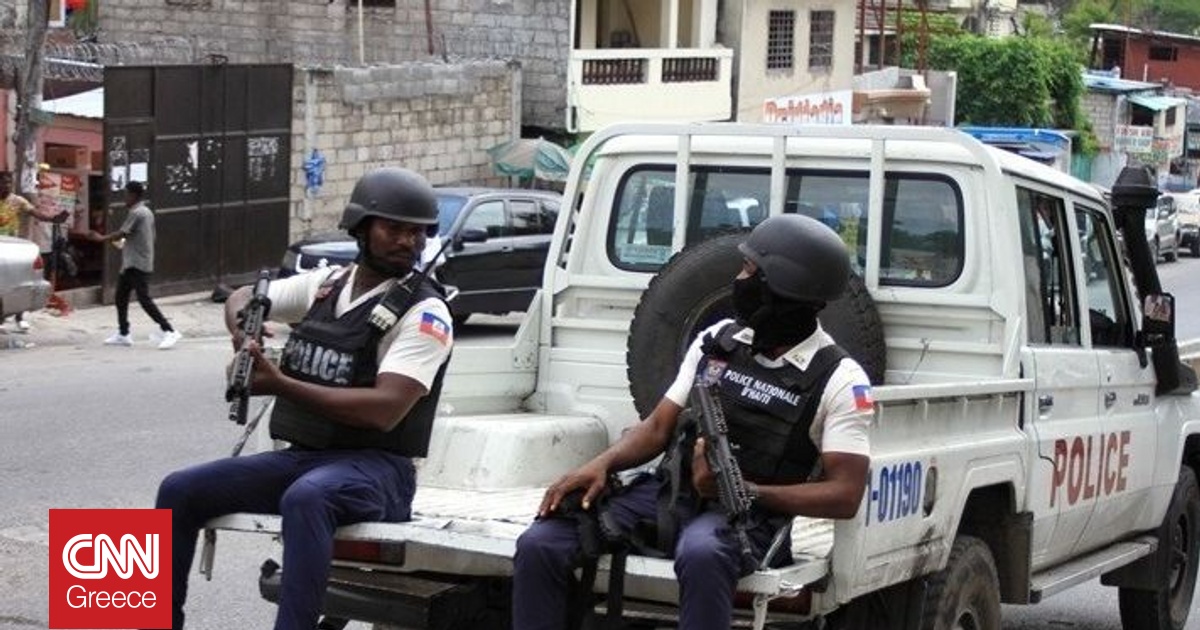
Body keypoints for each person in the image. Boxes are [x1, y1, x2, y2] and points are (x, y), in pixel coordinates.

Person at [513, 214, 873, 630]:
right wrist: (601, 464)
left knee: (702, 553)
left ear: (779, 287)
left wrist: (745, 490)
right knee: (543, 541)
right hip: (671, 496)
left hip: (748, 517)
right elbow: (657, 429)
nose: (738, 279)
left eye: (749, 270)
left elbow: (845, 494)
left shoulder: (840, 379)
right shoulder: (719, 340)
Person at [153, 166, 455, 630]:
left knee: (308, 497)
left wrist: (279, 383)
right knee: (179, 488)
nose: (407, 241)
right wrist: (246, 334)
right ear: (361, 228)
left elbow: (385, 409)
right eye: (394, 228)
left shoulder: (426, 311)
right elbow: (243, 298)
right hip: (306, 458)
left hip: (380, 470)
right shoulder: (326, 285)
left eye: (417, 233)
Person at [88, 181, 182, 348]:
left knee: (144, 299)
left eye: (126, 194)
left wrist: (101, 238)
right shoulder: (146, 212)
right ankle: (123, 333)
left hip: (138, 263)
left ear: (133, 195)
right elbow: (135, 236)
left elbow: (122, 233)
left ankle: (169, 330)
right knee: (121, 297)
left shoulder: (138, 213)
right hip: (131, 263)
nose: (124, 197)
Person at [0, 172, 69, 331]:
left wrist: (52, 219)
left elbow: (36, 213)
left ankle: (19, 317)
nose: (7, 186)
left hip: (12, 247)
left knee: (18, 282)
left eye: (9, 182)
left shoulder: (18, 201)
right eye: (3, 182)